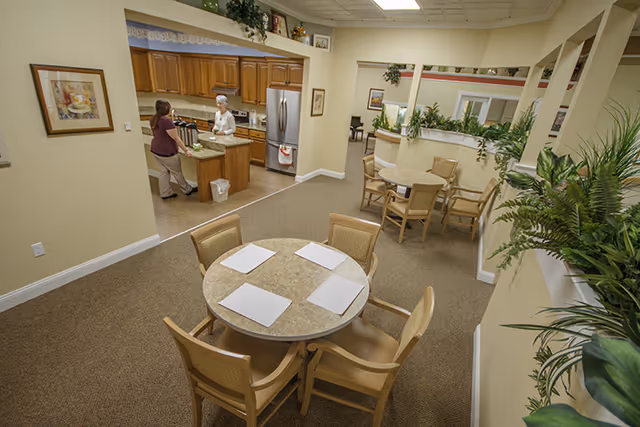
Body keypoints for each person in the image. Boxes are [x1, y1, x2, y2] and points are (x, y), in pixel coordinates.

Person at [149, 100, 197, 200]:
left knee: (163, 172)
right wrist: (186, 150)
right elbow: (175, 137)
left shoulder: (154, 119)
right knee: (177, 172)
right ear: (167, 109)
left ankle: (165, 193)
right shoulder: (166, 121)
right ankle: (187, 189)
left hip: (156, 150)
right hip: (167, 152)